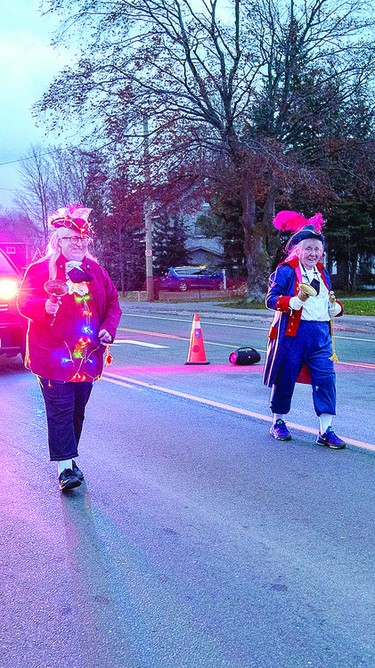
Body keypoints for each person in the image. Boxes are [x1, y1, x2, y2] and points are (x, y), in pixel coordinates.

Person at [18, 205, 122, 490]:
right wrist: (45, 306)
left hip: (87, 356)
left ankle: (69, 458)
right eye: (71, 239)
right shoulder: (40, 270)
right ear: (59, 240)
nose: (78, 244)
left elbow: (113, 303)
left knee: (77, 410)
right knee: (60, 409)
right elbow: (24, 302)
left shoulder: (96, 271)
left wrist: (107, 329)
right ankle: (65, 470)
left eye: (82, 239)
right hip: (52, 356)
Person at [263, 210, 346, 449]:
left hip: (320, 335)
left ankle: (325, 430)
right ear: (297, 250)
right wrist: (294, 301)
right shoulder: (286, 271)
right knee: (285, 377)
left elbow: (329, 302)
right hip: (293, 334)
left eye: (316, 249)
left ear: (321, 252)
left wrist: (335, 308)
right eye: (308, 248)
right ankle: (278, 421)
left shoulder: (323, 273)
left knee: (326, 379)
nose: (312, 253)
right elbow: (271, 299)